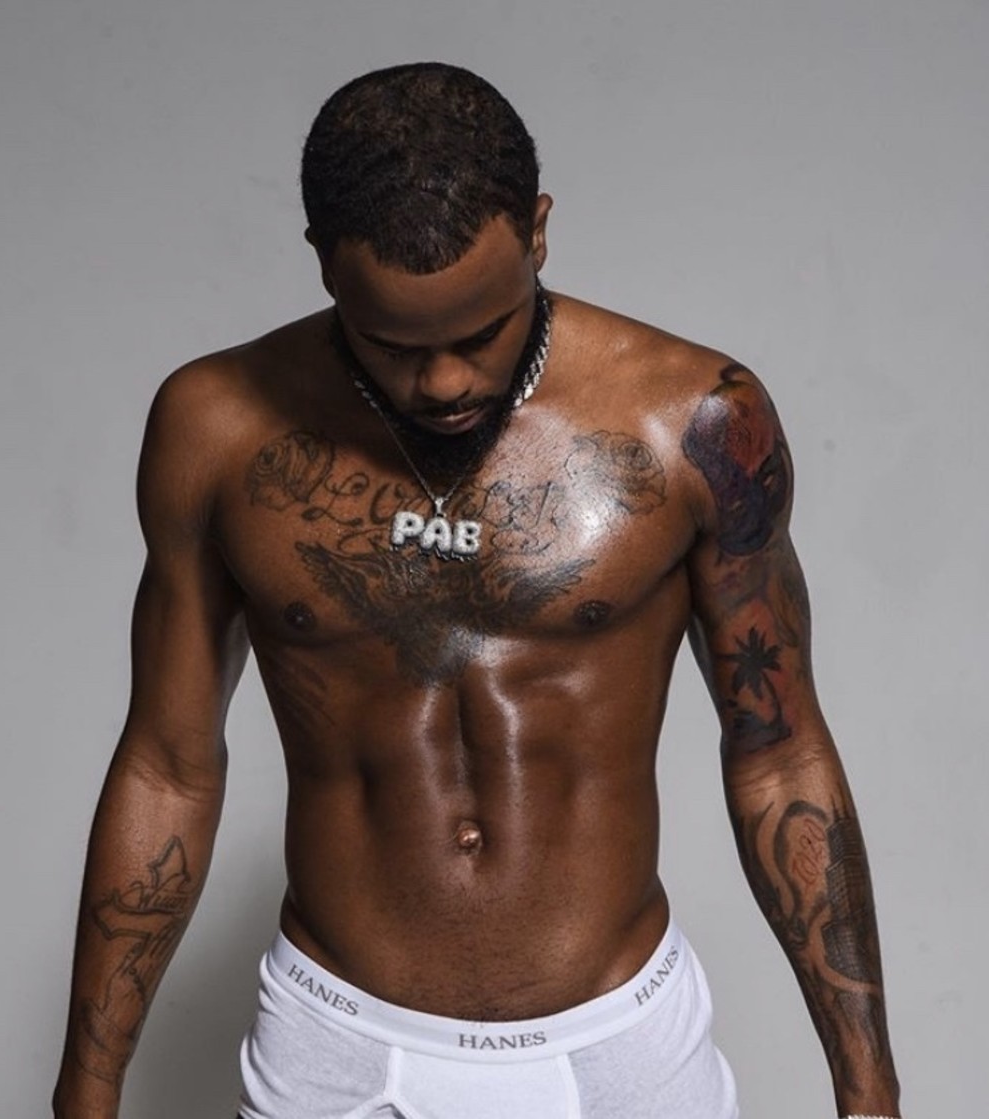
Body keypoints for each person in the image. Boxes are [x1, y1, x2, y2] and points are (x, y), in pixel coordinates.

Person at [53, 62, 902, 1119]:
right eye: (395, 345)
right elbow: (168, 765)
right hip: (337, 1043)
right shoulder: (216, 429)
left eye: (482, 334)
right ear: (322, 260)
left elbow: (777, 750)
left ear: (539, 232)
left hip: (620, 1047)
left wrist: (870, 1090)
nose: (445, 381)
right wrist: (86, 1090)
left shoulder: (694, 421)